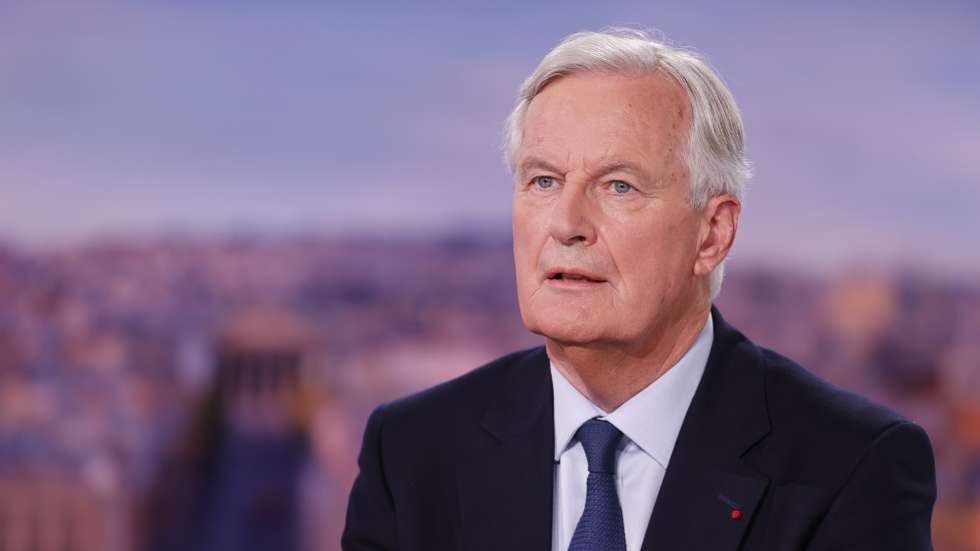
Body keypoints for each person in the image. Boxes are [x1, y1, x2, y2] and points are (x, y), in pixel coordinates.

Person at [342, 28, 936, 551]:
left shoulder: (852, 469)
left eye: (619, 186)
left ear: (713, 233)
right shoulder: (412, 451)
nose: (567, 223)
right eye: (543, 180)